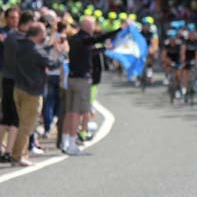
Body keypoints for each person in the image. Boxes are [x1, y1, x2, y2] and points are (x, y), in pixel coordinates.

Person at [62, 16, 120, 155]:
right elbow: (96, 40)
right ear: (88, 26)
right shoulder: (85, 39)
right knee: (77, 112)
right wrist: (119, 30)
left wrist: (102, 49)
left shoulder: (75, 39)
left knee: (70, 112)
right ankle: (72, 145)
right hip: (82, 80)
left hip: (72, 78)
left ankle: (64, 142)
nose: (94, 27)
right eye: (93, 25)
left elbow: (88, 51)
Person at [12, 23, 60, 166]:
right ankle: (18, 156)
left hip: (19, 88)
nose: (45, 35)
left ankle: (23, 153)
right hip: (32, 92)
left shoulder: (21, 45)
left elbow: (38, 52)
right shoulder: (35, 51)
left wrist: (51, 47)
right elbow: (51, 63)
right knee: (27, 125)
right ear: (38, 34)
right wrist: (62, 54)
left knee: (23, 123)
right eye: (44, 33)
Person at [0, 11, 34, 162]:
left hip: (7, 78)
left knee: (6, 116)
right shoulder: (21, 39)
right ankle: (9, 151)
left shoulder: (9, 37)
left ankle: (4, 148)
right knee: (15, 118)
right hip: (15, 80)